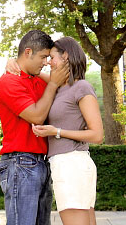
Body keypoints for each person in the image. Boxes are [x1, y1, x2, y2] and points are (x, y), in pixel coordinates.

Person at [0, 30, 69, 225]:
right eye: (43, 57)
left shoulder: (36, 80)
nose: (46, 62)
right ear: (28, 52)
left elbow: (67, 86)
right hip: (20, 163)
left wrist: (52, 81)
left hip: (41, 163)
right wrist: (52, 85)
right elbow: (36, 116)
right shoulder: (9, 81)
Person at [32, 37, 103, 225]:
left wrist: (56, 131)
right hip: (68, 164)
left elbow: (97, 135)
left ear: (66, 57)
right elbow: (33, 70)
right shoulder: (61, 88)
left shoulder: (81, 87)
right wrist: (13, 62)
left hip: (72, 164)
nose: (48, 62)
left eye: (52, 57)